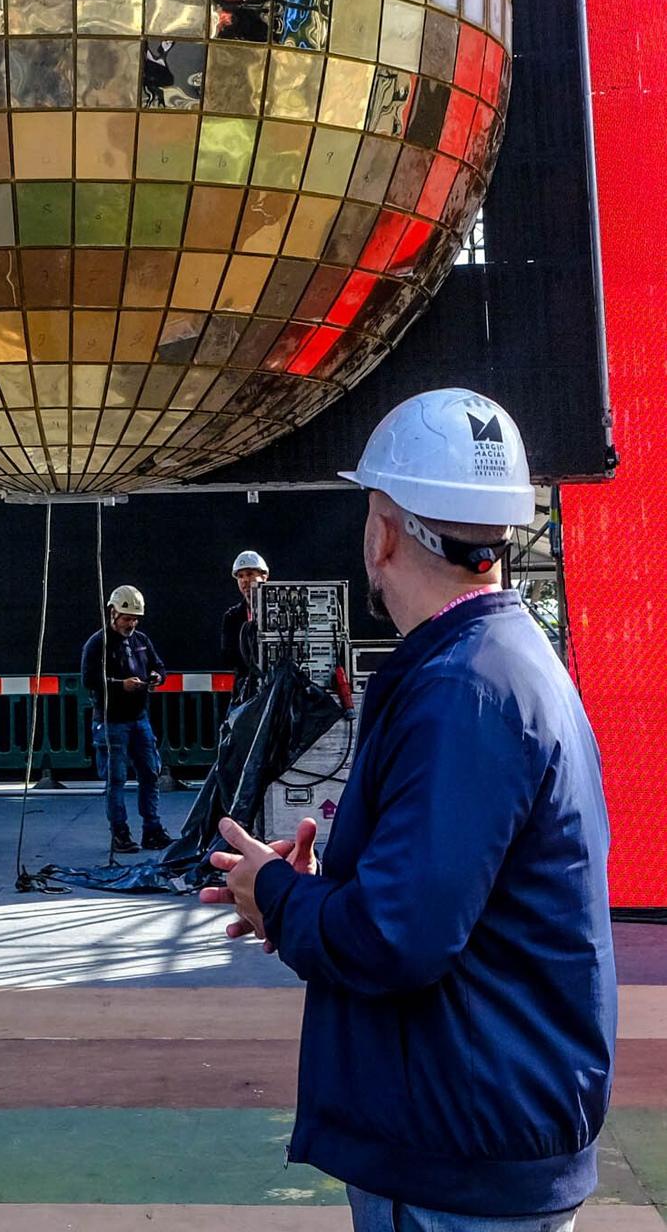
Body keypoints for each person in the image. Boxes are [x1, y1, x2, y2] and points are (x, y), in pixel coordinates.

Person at [202, 388, 615, 1232]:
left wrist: (276, 898)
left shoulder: (462, 690)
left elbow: (398, 938)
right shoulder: (506, 662)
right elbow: (445, 897)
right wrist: (321, 891)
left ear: (381, 532)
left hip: (453, 1163)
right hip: (481, 1136)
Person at [80, 585, 173, 854]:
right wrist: (121, 685)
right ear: (113, 613)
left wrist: (157, 676)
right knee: (116, 779)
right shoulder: (98, 643)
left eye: (134, 619)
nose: (131, 624)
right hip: (112, 722)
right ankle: (120, 832)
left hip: (138, 718)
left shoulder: (141, 640)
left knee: (150, 773)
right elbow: (89, 679)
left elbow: (158, 665)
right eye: (127, 618)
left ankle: (152, 829)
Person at [220, 548, 268, 697]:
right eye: (240, 576)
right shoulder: (232, 616)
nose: (245, 580)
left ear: (264, 576)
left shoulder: (280, 612)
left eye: (249, 574)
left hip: (276, 689)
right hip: (245, 690)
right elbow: (228, 656)